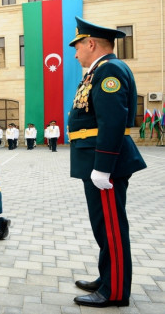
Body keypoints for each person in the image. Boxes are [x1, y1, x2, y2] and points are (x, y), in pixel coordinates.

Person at [68, 16, 147, 308]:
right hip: (94, 160)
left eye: (77, 47)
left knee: (112, 227)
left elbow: (112, 122)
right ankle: (107, 278)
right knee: (103, 226)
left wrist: (103, 166)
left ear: (90, 43)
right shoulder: (97, 71)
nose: (75, 54)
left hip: (105, 164)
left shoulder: (110, 70)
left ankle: (114, 292)